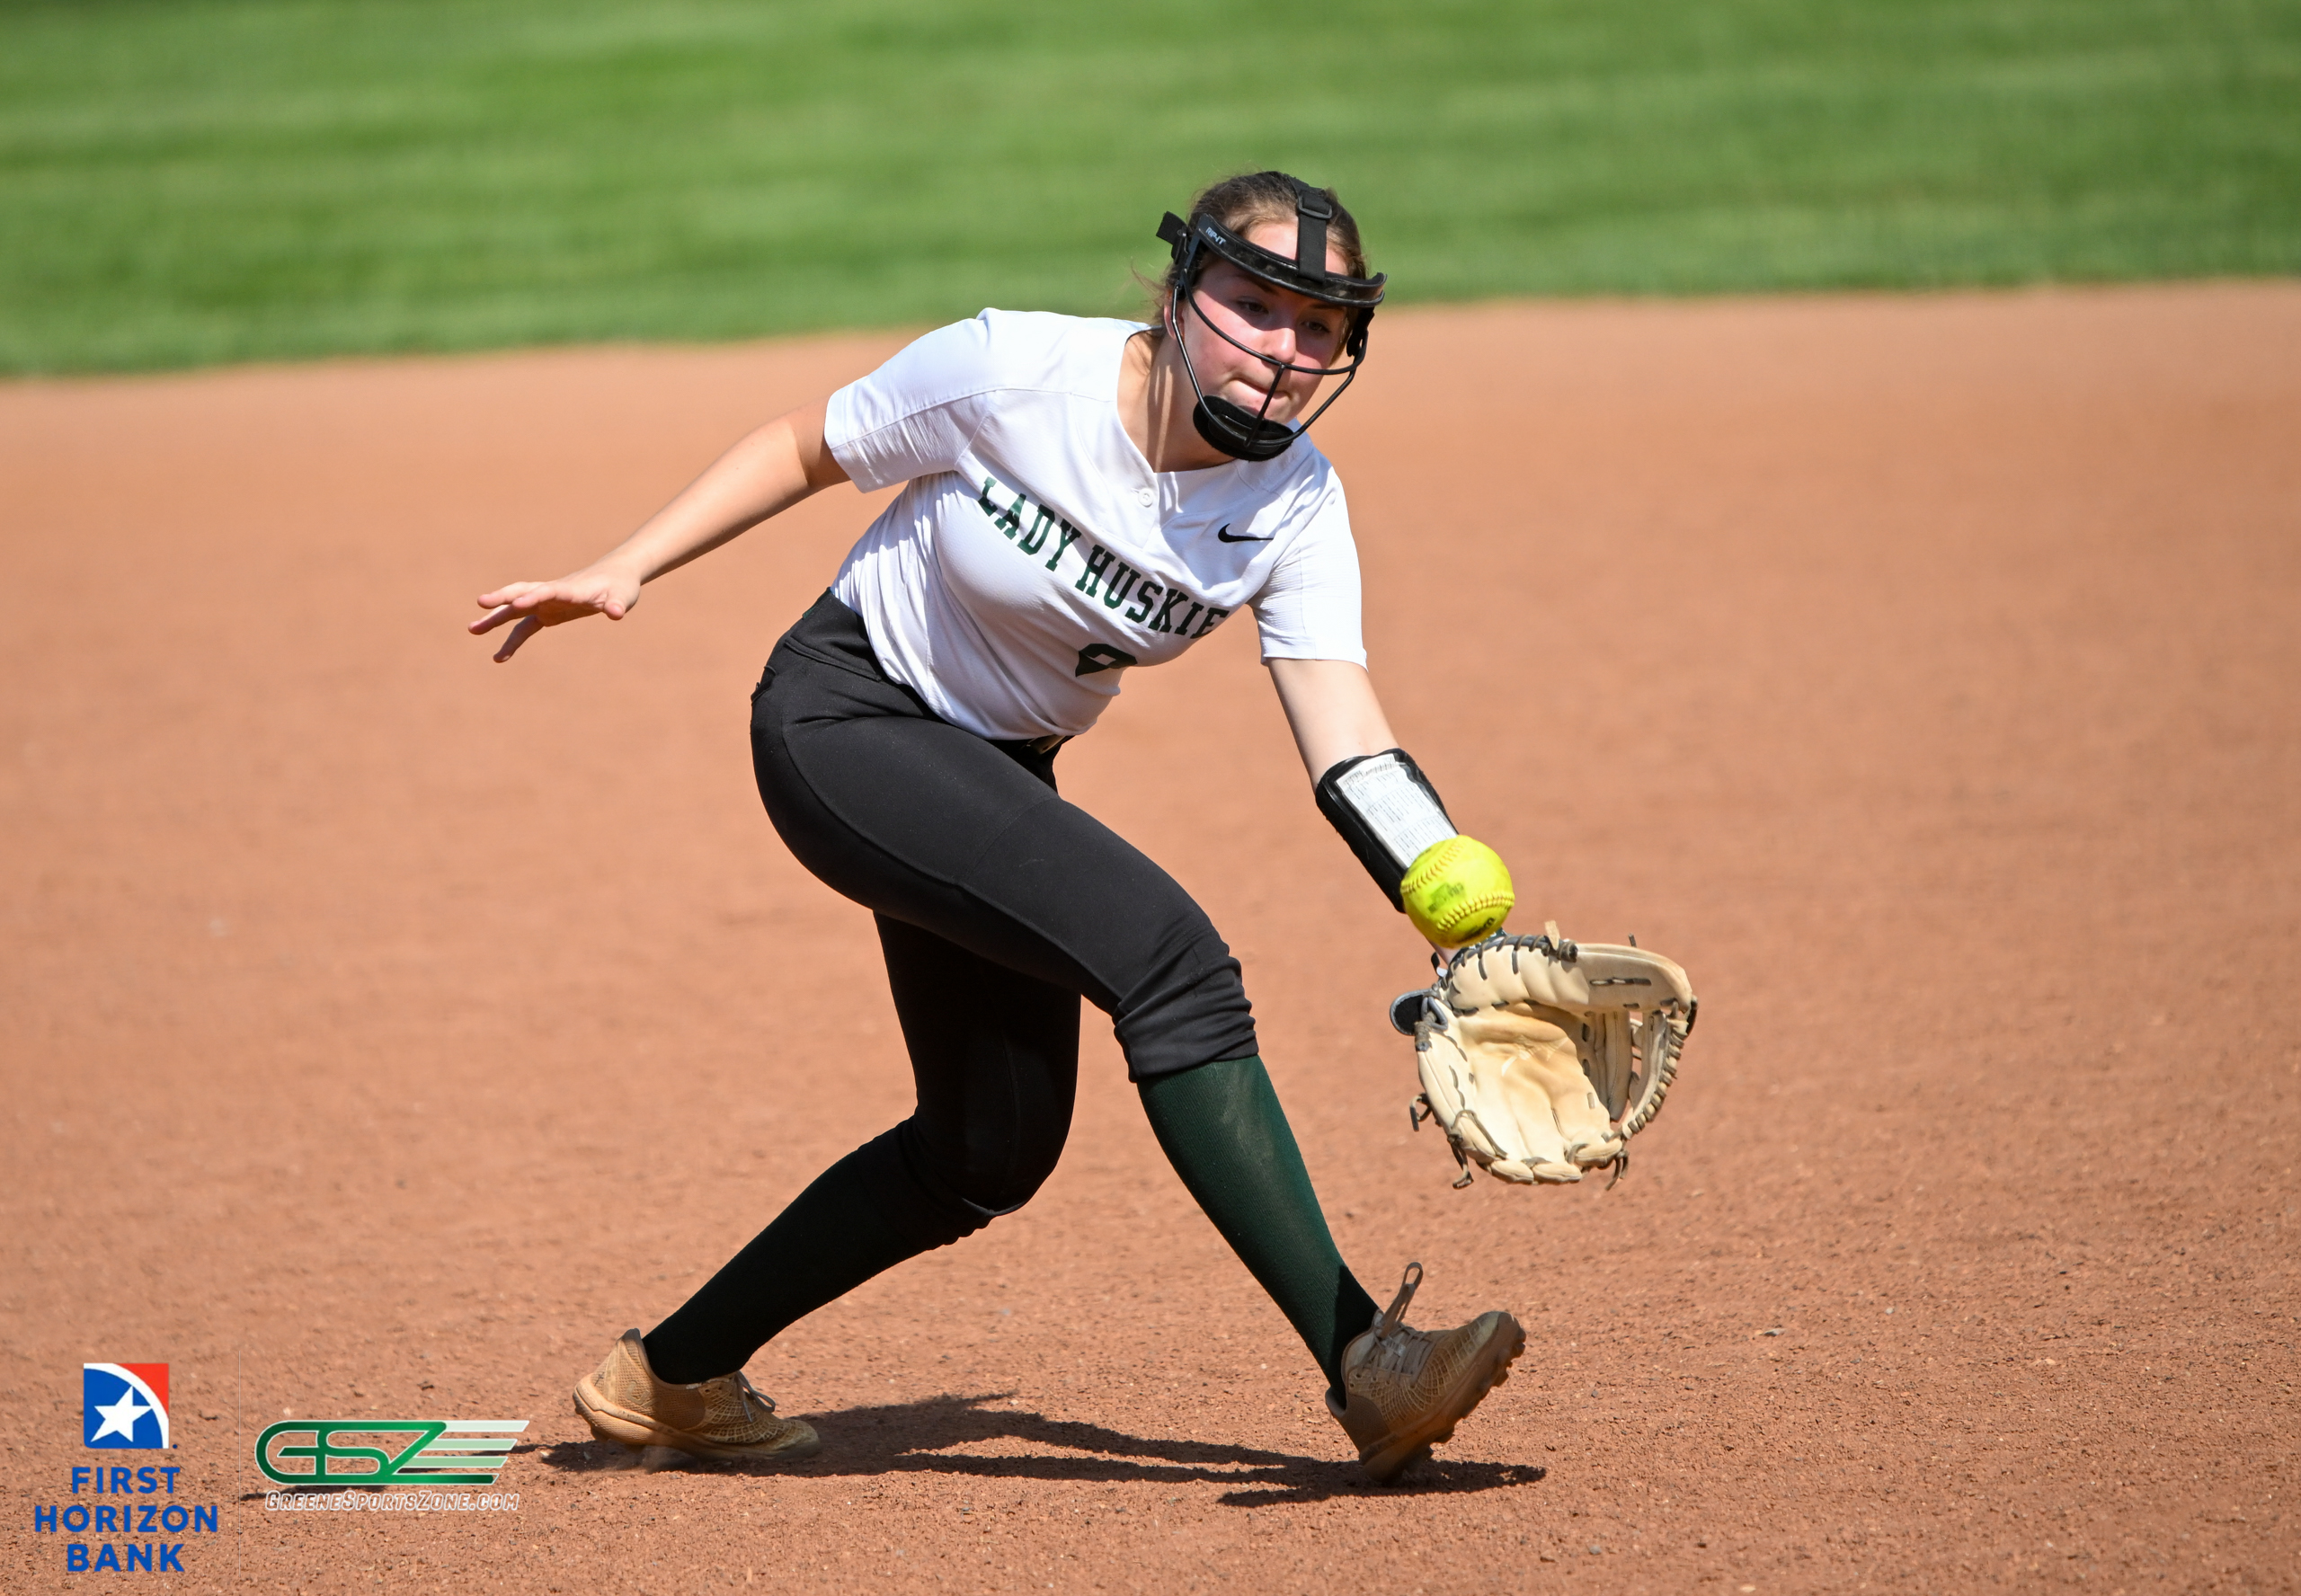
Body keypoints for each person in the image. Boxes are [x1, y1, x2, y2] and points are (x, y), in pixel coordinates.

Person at [470, 172, 1524, 1484]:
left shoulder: (1295, 504)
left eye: (1320, 327)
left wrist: (1447, 893)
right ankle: (1366, 1360)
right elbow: (807, 445)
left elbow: (1346, 727)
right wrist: (626, 563)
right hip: (845, 720)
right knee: (1174, 964)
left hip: (995, 775)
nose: (1285, 350)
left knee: (988, 1150)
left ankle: (670, 1376)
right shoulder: (1016, 372)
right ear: (1181, 291)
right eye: (1255, 305)